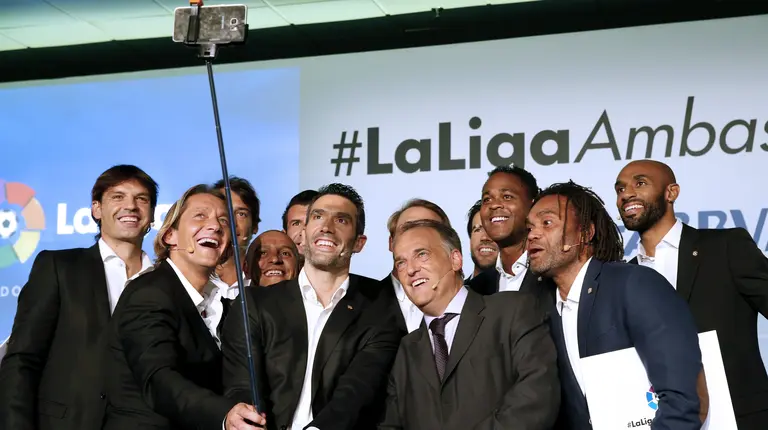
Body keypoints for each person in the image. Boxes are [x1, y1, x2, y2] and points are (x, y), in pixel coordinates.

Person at [222, 183, 403, 430]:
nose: (327, 227)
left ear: (359, 243)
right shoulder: (253, 304)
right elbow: (242, 385)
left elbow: (356, 392)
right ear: (303, 234)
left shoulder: (380, 308)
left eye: (341, 220)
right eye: (318, 216)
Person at [526, 180, 703, 430]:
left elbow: (681, 399)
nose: (532, 234)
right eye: (530, 227)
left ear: (586, 233)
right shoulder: (541, 310)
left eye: (547, 223)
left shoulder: (635, 284)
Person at [0, 165, 158, 430]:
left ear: (152, 213)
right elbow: (23, 359)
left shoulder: (164, 280)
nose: (131, 206)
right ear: (96, 209)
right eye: (118, 197)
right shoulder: (60, 267)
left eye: (141, 199)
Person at [616, 159, 768, 429]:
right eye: (620, 189)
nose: (626, 194)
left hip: (742, 417)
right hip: (663, 420)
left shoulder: (726, 247)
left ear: (671, 192)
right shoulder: (622, 277)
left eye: (640, 183)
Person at [102, 184, 265, 430]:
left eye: (223, 220)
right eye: (200, 215)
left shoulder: (222, 305)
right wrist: (224, 415)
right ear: (170, 235)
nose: (215, 225)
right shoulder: (149, 293)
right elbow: (159, 378)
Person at [379, 219, 560, 429]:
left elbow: (537, 396)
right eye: (401, 262)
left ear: (455, 259)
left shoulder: (512, 311)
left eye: (422, 254)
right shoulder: (406, 350)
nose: (410, 270)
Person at [379, 198, 452, 334]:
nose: (417, 238)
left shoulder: (471, 302)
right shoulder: (361, 303)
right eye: (407, 229)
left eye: (430, 229)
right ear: (391, 243)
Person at [212, 176, 260, 298]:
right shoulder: (189, 281)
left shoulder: (264, 281)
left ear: (255, 226)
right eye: (224, 211)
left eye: (241, 214)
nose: (231, 221)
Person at [465, 199, 499, 281]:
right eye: (477, 230)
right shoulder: (457, 292)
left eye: (494, 228)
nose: (484, 237)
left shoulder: (525, 290)